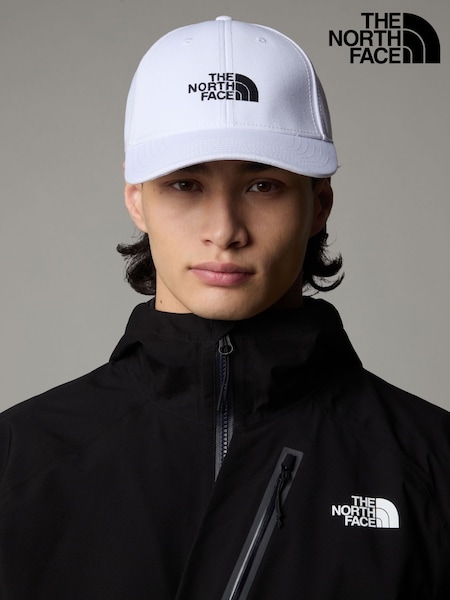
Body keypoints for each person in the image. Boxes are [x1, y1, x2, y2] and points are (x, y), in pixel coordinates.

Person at [0, 16, 448, 600]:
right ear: (137, 200)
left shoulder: (430, 462)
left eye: (263, 185)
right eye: (185, 184)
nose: (225, 230)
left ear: (319, 203)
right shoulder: (19, 458)